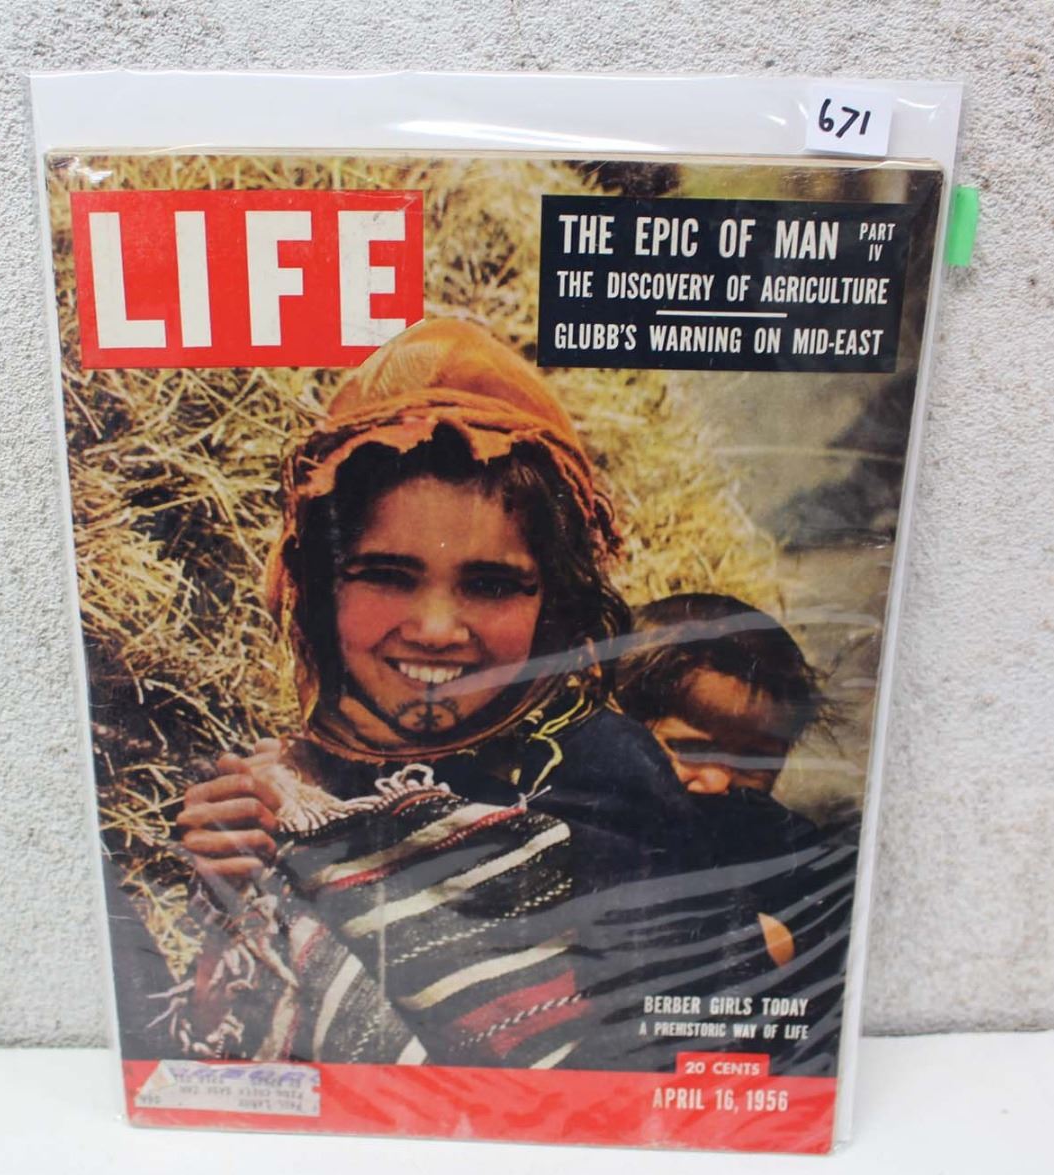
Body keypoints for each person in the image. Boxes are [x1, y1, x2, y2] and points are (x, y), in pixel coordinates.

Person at [166, 318, 705, 1070]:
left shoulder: (605, 770)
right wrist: (231, 877)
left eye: (491, 585)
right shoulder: (293, 784)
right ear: (318, 585)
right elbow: (241, 1032)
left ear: (555, 601)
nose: (436, 630)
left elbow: (666, 1040)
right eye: (387, 575)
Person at [613, 593, 860, 1071]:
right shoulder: (597, 822)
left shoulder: (780, 841)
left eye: (755, 761)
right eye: (690, 749)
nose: (719, 781)